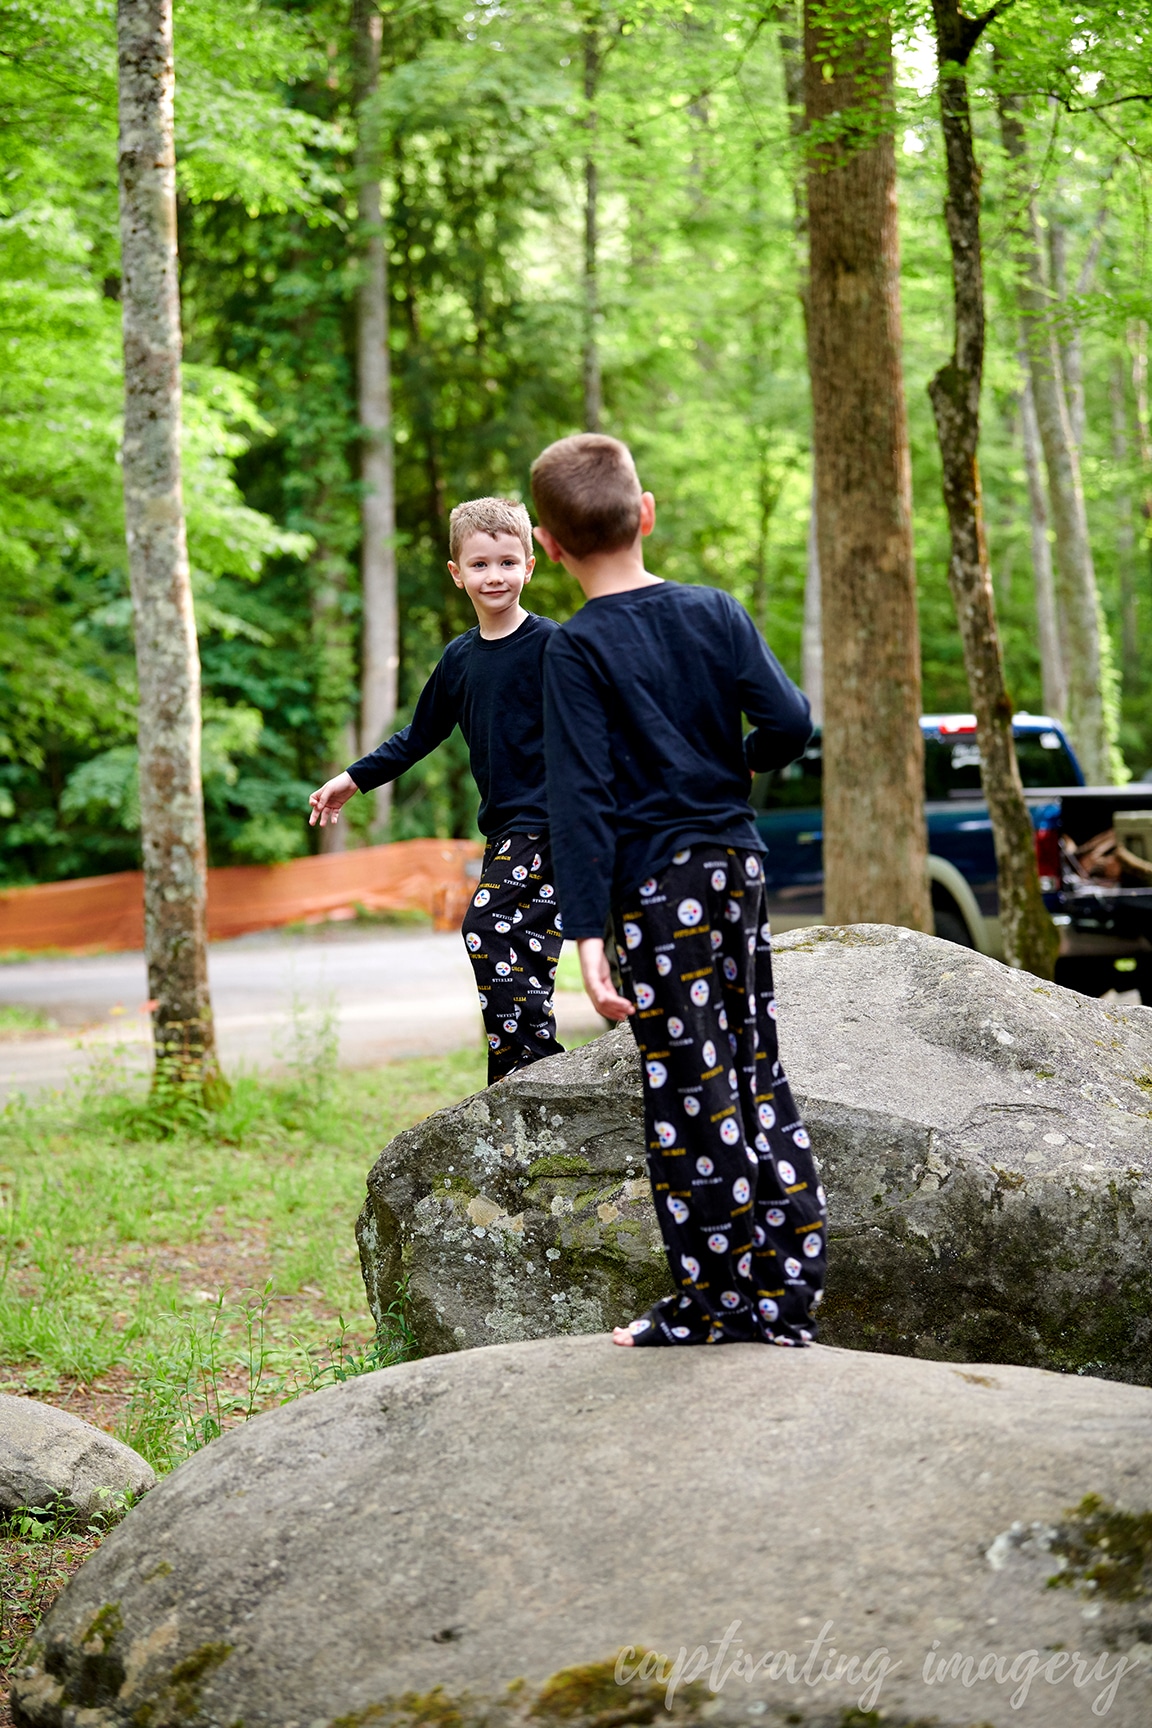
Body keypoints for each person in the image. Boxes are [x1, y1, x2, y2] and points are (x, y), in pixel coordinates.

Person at [533, 433, 826, 1347]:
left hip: (659, 890)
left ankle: (712, 1306)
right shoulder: (716, 611)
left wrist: (586, 936)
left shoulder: (574, 651)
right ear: (646, 511)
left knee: (688, 1088)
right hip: (735, 869)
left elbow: (580, 801)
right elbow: (789, 721)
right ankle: (783, 1289)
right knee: (752, 1064)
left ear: (545, 547)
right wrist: (728, 774)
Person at [308, 497, 564, 1085]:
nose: (493, 576)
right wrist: (353, 779)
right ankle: (516, 1076)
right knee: (519, 945)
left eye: (506, 562)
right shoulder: (460, 658)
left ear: (529, 565)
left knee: (486, 925)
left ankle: (538, 1068)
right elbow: (420, 734)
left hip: (553, 822)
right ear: (457, 574)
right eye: (479, 565)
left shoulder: (553, 645)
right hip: (506, 828)